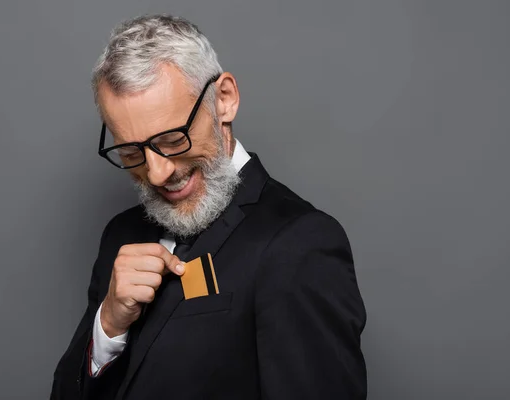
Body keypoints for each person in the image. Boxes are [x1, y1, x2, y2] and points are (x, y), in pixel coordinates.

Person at [50, 14, 367, 400]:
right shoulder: (120, 235)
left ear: (225, 101)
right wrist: (109, 327)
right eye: (132, 151)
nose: (156, 172)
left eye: (172, 139)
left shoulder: (300, 242)